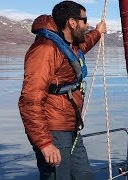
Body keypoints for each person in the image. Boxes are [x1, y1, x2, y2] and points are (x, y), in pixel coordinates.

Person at [18, 1, 106, 179]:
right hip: (53, 132)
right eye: (85, 20)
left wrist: (98, 32)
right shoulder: (45, 50)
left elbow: (83, 45)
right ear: (72, 23)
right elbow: (30, 100)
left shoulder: (68, 43)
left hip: (70, 128)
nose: (87, 24)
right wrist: (44, 143)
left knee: (84, 176)